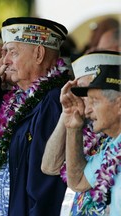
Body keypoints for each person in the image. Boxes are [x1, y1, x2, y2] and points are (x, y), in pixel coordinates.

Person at [0, 17, 70, 215]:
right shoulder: (17, 95)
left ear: (39, 53)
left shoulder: (54, 100)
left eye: (13, 52)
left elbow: (43, 182)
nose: (6, 60)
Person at [41, 50, 121, 215]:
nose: (86, 104)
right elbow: (51, 167)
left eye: (93, 97)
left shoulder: (110, 132)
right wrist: (69, 121)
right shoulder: (112, 142)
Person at [62, 64, 121, 215]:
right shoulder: (113, 147)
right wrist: (72, 128)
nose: (87, 109)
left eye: (94, 101)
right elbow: (78, 181)